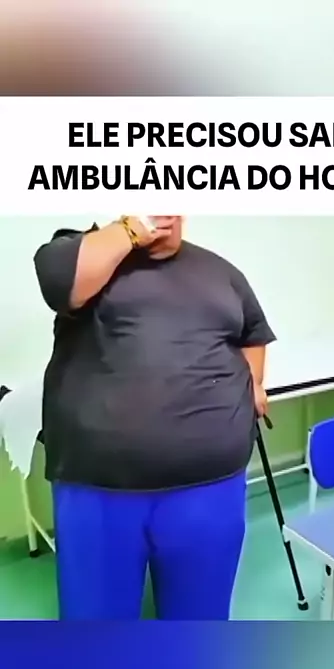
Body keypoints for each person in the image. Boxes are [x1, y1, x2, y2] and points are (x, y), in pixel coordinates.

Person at [34, 216, 276, 620]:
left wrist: (253, 383)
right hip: (99, 486)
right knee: (96, 630)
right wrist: (132, 230)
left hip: (213, 485)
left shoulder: (223, 273)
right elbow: (61, 282)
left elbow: (253, 333)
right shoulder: (80, 251)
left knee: (199, 624)